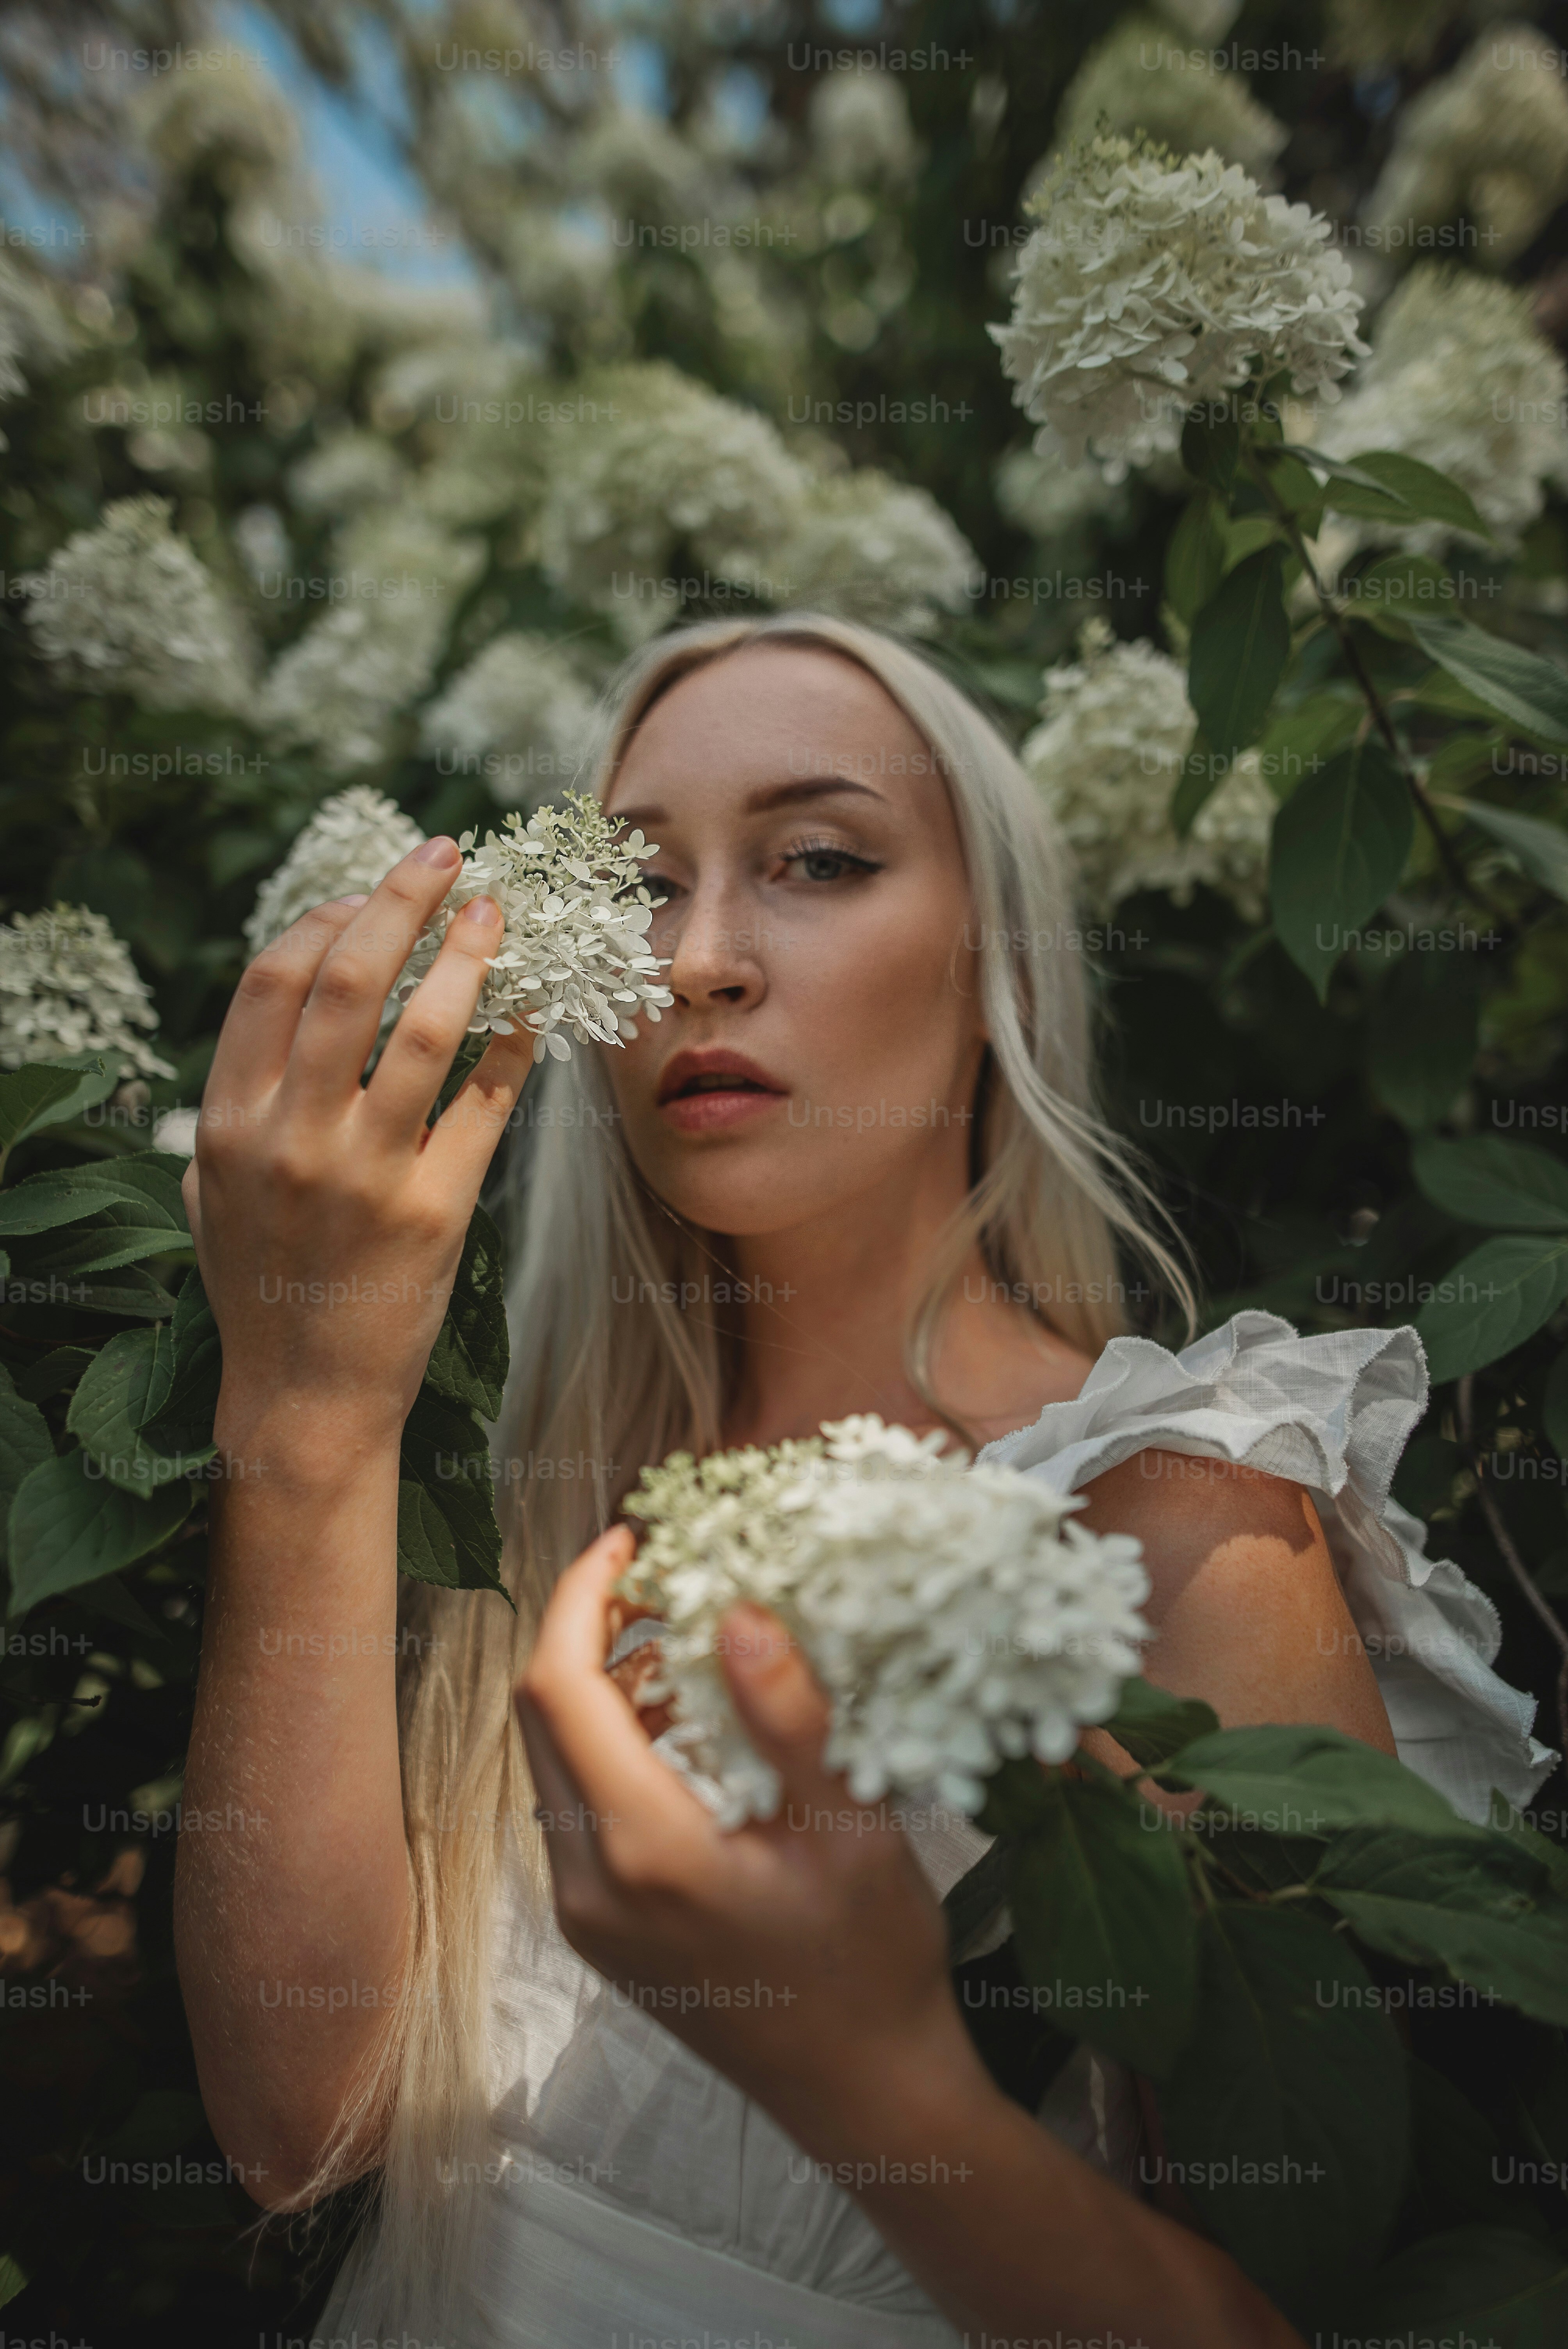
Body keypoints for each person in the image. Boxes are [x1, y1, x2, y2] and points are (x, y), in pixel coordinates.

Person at [173, 615, 1553, 2349]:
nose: (697, 962)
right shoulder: (514, 1493)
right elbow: (306, 2127)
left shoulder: (1173, 1524)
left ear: (996, 961)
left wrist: (873, 2077)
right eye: (639, 890)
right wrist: (305, 1421)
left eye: (816, 860)